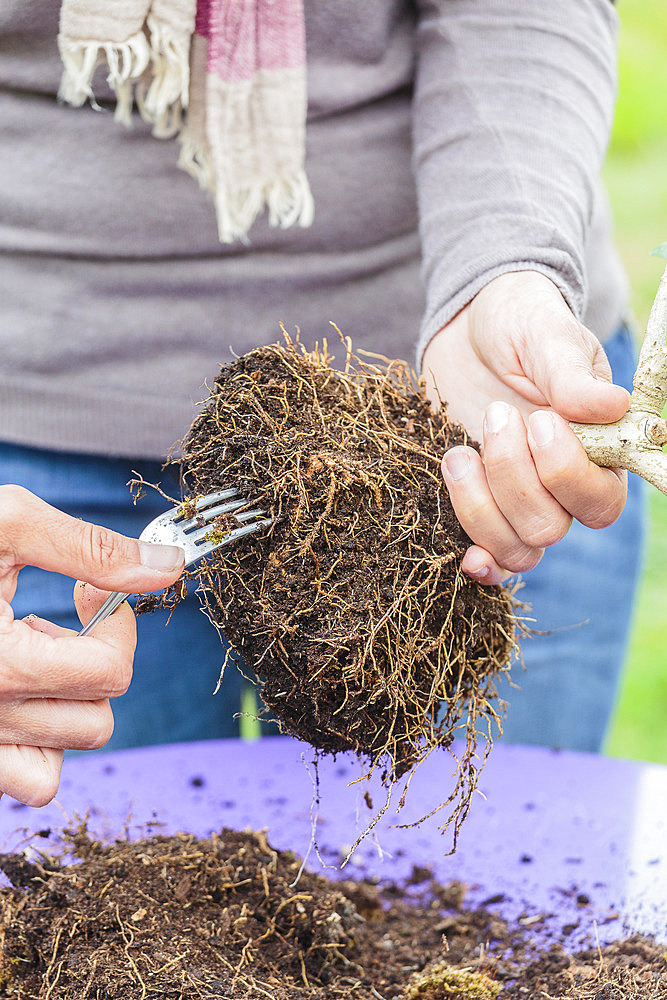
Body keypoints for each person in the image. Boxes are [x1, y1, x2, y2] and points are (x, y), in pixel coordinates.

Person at [0, 0, 645, 805]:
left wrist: (503, 269)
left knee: (480, 894)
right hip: (33, 445)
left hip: (482, 423)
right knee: (94, 886)